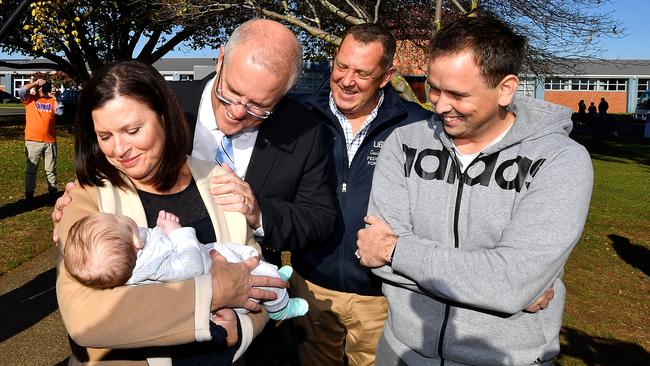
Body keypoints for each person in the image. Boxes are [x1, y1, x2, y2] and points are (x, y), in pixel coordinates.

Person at [356, 16, 593, 365]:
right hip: (402, 350)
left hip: (507, 358)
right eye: (433, 88)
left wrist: (395, 251)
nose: (439, 105)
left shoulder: (561, 160)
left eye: (458, 94)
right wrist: (505, 291)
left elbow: (509, 282)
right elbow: (374, 260)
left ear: (506, 89)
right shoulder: (402, 143)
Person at [55, 60, 285, 365]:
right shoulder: (88, 199)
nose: (120, 149)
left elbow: (256, 276)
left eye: (133, 130)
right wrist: (213, 291)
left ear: (164, 116)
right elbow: (85, 317)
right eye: (105, 136)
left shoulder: (217, 179)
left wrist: (240, 331)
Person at [290, 23, 431, 366]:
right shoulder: (300, 116)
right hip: (311, 287)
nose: (346, 80)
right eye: (342, 66)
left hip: (381, 296)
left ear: (386, 76)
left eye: (363, 72)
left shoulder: (418, 126)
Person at [170, 19, 337, 267]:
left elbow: (320, 218)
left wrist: (258, 213)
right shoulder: (164, 107)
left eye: (258, 106)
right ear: (220, 60)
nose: (237, 112)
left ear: (282, 95)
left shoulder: (304, 132)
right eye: (231, 92)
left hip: (252, 288)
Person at [64, 209, 308, 321]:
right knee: (263, 276)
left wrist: (158, 230)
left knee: (248, 254)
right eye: (123, 222)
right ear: (136, 242)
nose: (125, 218)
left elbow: (158, 245)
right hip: (213, 268)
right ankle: (281, 307)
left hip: (215, 254)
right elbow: (192, 266)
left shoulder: (132, 256)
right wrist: (176, 232)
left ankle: (275, 275)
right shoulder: (151, 264)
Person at [19, 78, 58, 204]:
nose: (43, 89)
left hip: (50, 142)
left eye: (45, 87)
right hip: (33, 141)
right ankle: (29, 196)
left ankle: (52, 194)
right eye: (42, 87)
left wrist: (54, 97)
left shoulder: (51, 101)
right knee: (31, 170)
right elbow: (21, 90)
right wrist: (35, 83)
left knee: (50, 170)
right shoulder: (29, 99)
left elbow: (61, 111)